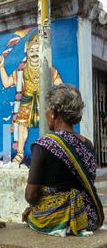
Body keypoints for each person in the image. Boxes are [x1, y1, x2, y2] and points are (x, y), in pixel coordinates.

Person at [23, 84, 104, 237]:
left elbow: (31, 196)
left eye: (46, 109)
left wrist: (34, 208)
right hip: (86, 218)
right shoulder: (88, 144)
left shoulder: (44, 145)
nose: (45, 114)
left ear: (53, 112)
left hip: (56, 219)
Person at [0, 32, 62, 164]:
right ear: (26, 52)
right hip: (26, 101)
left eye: (37, 50)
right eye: (31, 50)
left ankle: (50, 153)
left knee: (50, 126)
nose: (34, 53)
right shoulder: (21, 69)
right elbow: (6, 83)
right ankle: (20, 154)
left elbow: (60, 86)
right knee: (21, 127)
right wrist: (2, 67)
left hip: (44, 102)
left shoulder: (49, 69)